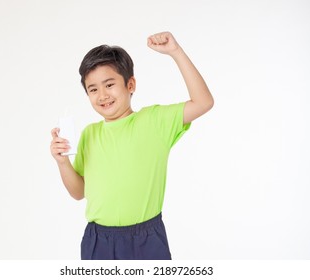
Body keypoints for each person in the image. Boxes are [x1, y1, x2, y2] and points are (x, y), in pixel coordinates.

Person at [50, 32, 214, 260]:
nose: (102, 95)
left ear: (130, 84)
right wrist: (62, 161)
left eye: (109, 84)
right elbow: (78, 192)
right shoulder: (90, 134)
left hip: (146, 238)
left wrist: (176, 52)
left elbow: (203, 102)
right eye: (93, 89)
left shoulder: (155, 121)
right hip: (99, 240)